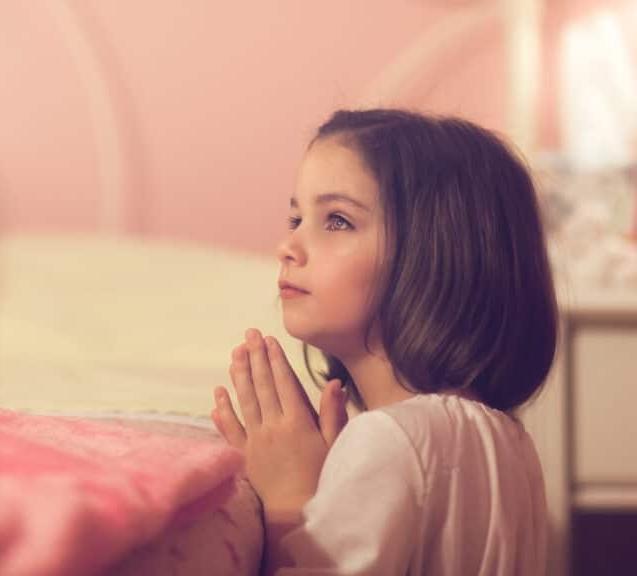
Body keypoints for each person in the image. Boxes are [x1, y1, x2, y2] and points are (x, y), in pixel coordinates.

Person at [211, 109, 558, 575]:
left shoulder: (385, 441)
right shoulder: (513, 448)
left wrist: (288, 500)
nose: (288, 244)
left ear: (435, 256)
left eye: (336, 220)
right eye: (296, 217)